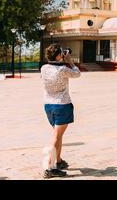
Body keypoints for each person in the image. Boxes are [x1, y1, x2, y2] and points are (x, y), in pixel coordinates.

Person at [41, 43, 81, 178]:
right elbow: (77, 74)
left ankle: (58, 161)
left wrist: (61, 60)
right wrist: (70, 61)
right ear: (59, 55)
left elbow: (53, 67)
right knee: (56, 136)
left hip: (48, 105)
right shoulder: (63, 69)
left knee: (58, 135)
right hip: (62, 106)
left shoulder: (44, 68)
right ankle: (49, 167)